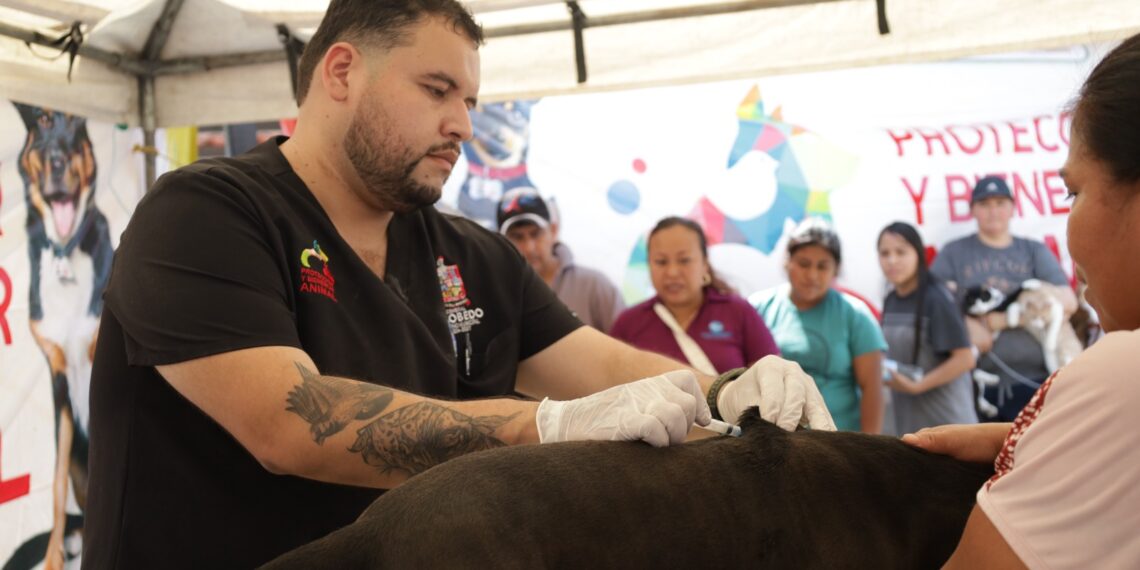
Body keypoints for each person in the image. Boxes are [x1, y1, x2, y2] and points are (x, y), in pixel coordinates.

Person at [80, 2, 834, 568]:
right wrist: (546, 427)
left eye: (468, 100)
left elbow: (599, 363)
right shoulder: (204, 212)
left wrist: (722, 390)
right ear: (341, 73)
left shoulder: (471, 253)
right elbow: (290, 422)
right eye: (437, 90)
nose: (464, 125)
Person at [908, 34, 1140, 569]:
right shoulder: (956, 255)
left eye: (1073, 192)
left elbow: (1062, 300)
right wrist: (1039, 438)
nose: (1070, 228)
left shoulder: (1123, 372)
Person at [930, 175, 1077, 421]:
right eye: (984, 204)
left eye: (1000, 203)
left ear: (1012, 208)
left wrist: (1000, 321)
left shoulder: (1033, 251)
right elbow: (932, 301)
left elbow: (1068, 302)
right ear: (973, 210)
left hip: (1038, 381)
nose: (993, 211)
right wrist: (966, 325)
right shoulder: (954, 253)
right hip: (979, 385)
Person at [751, 217, 886, 433]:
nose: (812, 275)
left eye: (822, 266)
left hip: (838, 442)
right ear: (787, 262)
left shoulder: (856, 315)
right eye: (804, 264)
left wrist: (870, 446)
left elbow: (872, 389)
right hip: (772, 440)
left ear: (836, 269)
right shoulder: (757, 309)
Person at [609, 217, 780, 375]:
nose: (672, 272)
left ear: (704, 263)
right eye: (661, 262)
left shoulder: (738, 311)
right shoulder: (628, 323)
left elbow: (772, 378)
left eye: (684, 260)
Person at [877, 221, 977, 434]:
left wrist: (918, 386)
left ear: (918, 254)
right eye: (885, 253)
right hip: (911, 424)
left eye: (901, 252)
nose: (892, 260)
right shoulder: (891, 299)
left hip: (948, 423)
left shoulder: (937, 298)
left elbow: (965, 359)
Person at [496, 186, 625, 332]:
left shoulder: (594, 286)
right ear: (501, 241)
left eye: (536, 234)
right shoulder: (495, 295)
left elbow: (626, 340)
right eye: (517, 237)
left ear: (553, 230)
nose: (529, 248)